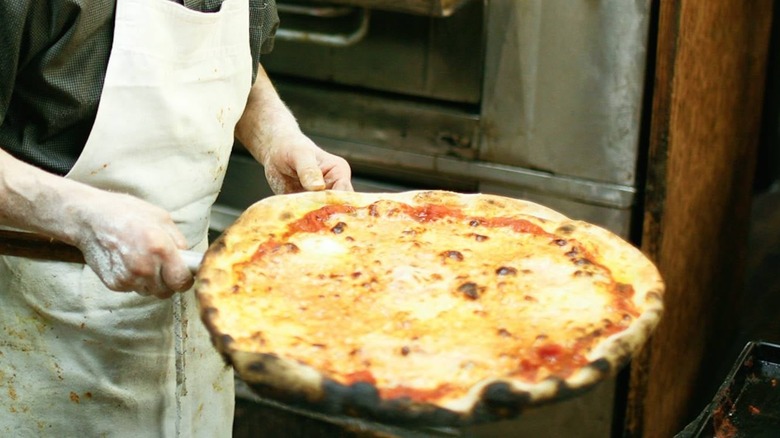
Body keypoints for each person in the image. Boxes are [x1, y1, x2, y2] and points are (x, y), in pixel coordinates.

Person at [0, 0, 353, 436]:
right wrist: (82, 216)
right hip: (38, 338)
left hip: (192, 327)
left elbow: (236, 58)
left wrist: (276, 135)